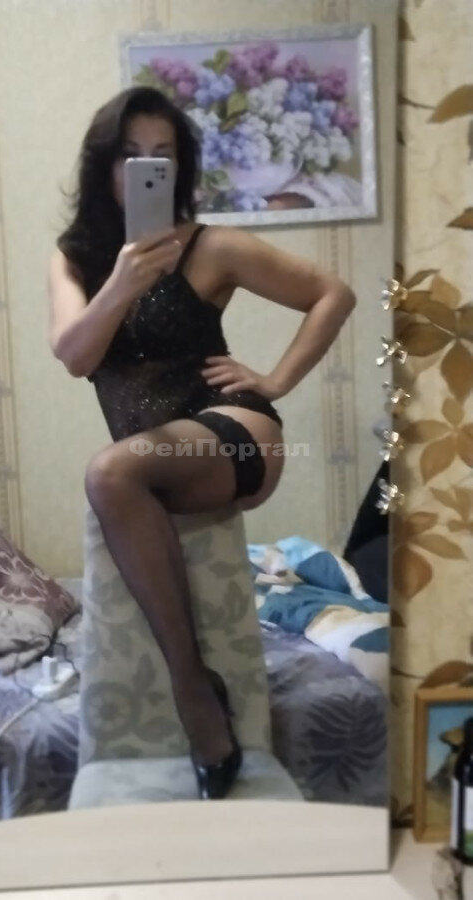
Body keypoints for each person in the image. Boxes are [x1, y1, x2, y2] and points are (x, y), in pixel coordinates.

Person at [47, 85, 356, 800]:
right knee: (117, 474)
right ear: (103, 165)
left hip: (234, 431)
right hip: (157, 450)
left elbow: (332, 294)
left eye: (163, 155)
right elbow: (75, 356)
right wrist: (124, 281)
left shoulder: (211, 245)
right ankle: (197, 681)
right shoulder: (75, 259)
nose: (146, 168)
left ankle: (194, 696)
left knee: (109, 474)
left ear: (180, 168)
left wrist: (274, 380)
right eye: (131, 156)